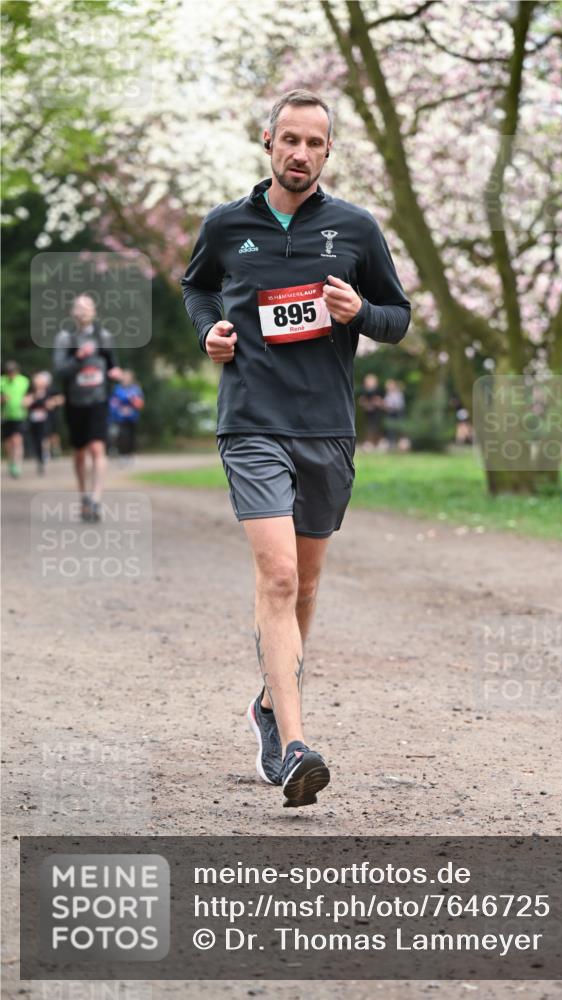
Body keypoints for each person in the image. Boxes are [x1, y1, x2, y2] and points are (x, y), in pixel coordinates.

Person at [181, 89, 411, 808]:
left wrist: (360, 313)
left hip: (327, 428)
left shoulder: (354, 228)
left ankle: (268, 706)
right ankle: (293, 748)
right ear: (267, 140)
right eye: (290, 140)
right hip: (251, 420)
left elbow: (397, 318)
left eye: (314, 143)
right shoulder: (226, 225)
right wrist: (210, 333)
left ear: (328, 151)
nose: (300, 154)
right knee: (278, 577)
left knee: (305, 585)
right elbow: (197, 289)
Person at [53, 294, 123, 521]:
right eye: (79, 307)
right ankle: (83, 495)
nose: (83, 311)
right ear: (73, 312)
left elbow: (113, 366)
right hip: (75, 402)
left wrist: (116, 374)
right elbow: (60, 371)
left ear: (94, 311)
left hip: (98, 400)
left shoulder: (103, 337)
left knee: (97, 449)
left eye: (87, 307)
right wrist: (78, 358)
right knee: (80, 452)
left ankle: (95, 498)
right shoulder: (65, 339)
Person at [24, 371, 64, 475]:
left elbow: (61, 399)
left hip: (48, 419)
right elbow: (24, 403)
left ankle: (46, 455)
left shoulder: (51, 391)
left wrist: (52, 402)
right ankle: (40, 458)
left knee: (45, 438)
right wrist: (32, 398)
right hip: (34, 420)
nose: (37, 382)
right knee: (37, 440)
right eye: (36, 380)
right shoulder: (31, 391)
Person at [1, 361, 30, 478]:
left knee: (17, 440)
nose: (11, 373)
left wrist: (28, 400)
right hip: (5, 416)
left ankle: (17, 464)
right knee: (8, 443)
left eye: (13, 371)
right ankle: (11, 462)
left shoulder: (24, 381)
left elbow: (30, 395)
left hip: (20, 415)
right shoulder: (1, 381)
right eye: (9, 371)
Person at [109, 370, 144, 463]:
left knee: (131, 436)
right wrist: (120, 409)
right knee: (122, 436)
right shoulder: (117, 389)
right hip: (120, 417)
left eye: (128, 377)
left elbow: (139, 402)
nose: (126, 379)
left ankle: (130, 454)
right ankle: (122, 455)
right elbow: (113, 402)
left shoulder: (136, 389)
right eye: (124, 377)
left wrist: (131, 405)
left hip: (132, 417)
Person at [358, 373, 385, 449]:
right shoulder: (363, 390)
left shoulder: (379, 390)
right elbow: (361, 401)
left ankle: (377, 442)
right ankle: (369, 443)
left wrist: (377, 402)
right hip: (367, 413)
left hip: (377, 413)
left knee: (376, 427)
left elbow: (382, 402)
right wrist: (366, 404)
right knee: (368, 427)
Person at [383, 378, 406, 449]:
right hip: (390, 414)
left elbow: (399, 405)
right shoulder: (388, 394)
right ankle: (391, 444)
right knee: (390, 430)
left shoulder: (398, 394)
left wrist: (390, 406)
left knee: (398, 429)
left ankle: (401, 445)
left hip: (398, 414)